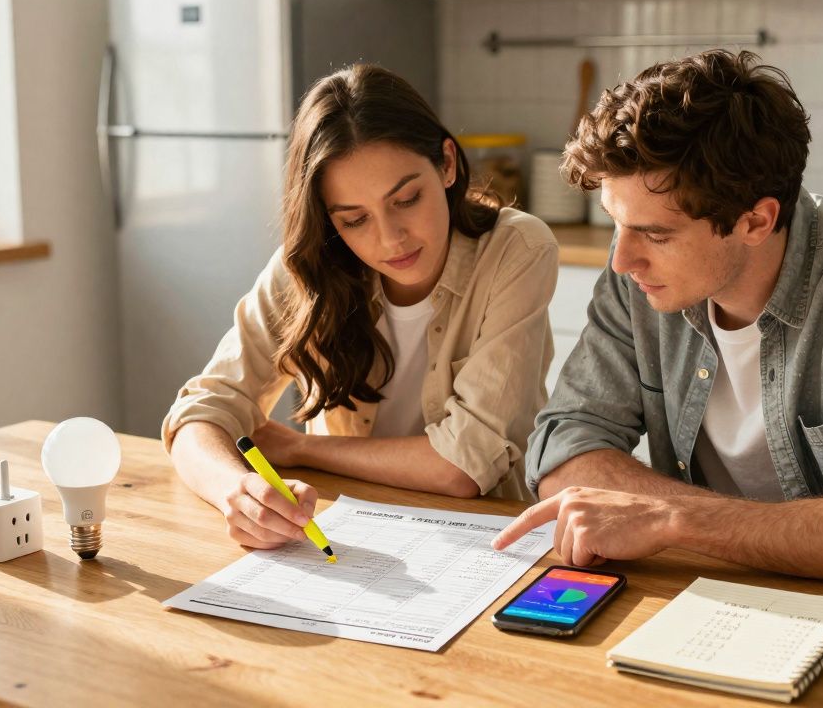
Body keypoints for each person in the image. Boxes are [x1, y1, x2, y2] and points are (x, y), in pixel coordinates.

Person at [493, 49, 823, 588]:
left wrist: (673, 520)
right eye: (618, 223)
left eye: (657, 235)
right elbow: (564, 447)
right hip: (712, 594)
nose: (622, 260)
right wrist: (701, 528)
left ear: (755, 221)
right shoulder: (636, 277)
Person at [164, 64, 558, 550]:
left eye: (408, 198)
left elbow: (465, 466)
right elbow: (199, 414)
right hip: (349, 533)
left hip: (485, 535)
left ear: (448, 164)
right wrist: (236, 491)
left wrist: (305, 448)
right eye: (354, 221)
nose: (390, 239)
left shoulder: (516, 249)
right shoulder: (309, 266)